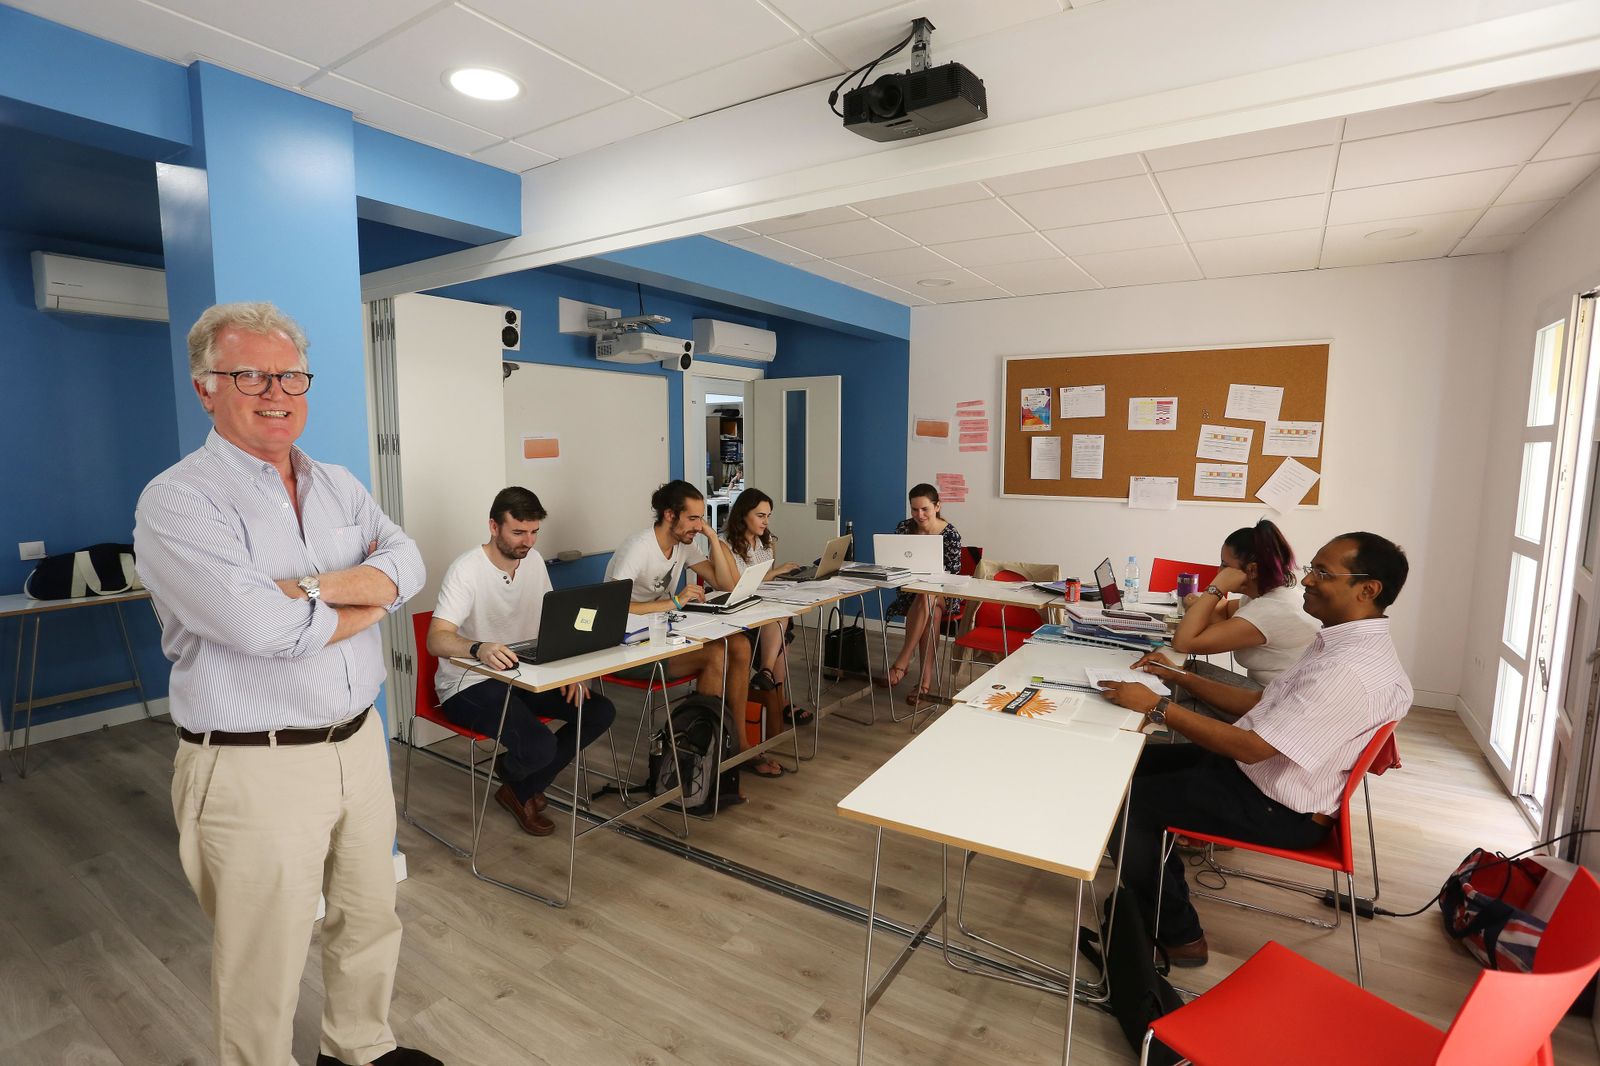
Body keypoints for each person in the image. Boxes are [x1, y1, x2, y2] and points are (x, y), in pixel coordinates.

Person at [133, 302, 438, 1066]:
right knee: (261, 958)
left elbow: (411, 561)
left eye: (291, 374)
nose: (278, 391)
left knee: (370, 917)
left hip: (358, 743)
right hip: (251, 763)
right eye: (251, 374)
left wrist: (309, 587)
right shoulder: (179, 499)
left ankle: (360, 1048)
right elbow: (261, 630)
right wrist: (371, 598)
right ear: (206, 387)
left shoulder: (337, 483)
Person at [1098, 532, 1413, 968]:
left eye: (1323, 573)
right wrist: (1183, 679)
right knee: (1127, 764)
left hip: (1277, 805)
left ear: (1368, 589)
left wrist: (1156, 706)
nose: (1307, 581)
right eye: (1311, 569)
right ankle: (1145, 879)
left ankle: (1178, 934)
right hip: (1263, 778)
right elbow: (1264, 703)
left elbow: (1253, 748)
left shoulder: (1347, 670)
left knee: (1128, 799)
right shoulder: (1340, 642)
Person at [426, 487, 619, 835]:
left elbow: (550, 623)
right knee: (540, 745)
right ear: (493, 526)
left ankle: (519, 784)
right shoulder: (466, 570)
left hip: (523, 673)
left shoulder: (532, 560)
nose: (527, 542)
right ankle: (523, 781)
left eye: (533, 532)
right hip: (467, 683)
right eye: (518, 532)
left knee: (599, 711)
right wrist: (478, 647)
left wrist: (572, 672)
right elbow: (436, 639)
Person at [605, 479, 783, 779]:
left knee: (739, 644)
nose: (698, 526)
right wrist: (673, 602)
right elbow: (612, 608)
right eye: (693, 518)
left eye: (701, 519)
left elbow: (727, 584)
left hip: (660, 636)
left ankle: (738, 744)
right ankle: (697, 758)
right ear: (669, 515)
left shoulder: (683, 546)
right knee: (715, 654)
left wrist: (713, 537)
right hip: (625, 649)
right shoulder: (638, 548)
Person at [1147, 520, 1321, 720]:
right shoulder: (1270, 594)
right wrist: (1203, 600)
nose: (1219, 571)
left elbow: (1183, 643)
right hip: (1271, 694)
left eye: (1225, 565)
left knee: (1175, 679)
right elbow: (1222, 612)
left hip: (1276, 705)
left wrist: (1216, 587)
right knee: (1183, 673)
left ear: (1252, 570)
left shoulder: (1272, 609)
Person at [722, 487, 812, 738]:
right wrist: (775, 572)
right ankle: (776, 697)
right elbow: (738, 584)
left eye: (768, 516)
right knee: (780, 623)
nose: (766, 521)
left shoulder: (766, 542)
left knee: (781, 618)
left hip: (761, 604)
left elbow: (763, 583)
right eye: (760, 515)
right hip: (736, 610)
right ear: (743, 515)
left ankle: (766, 677)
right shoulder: (725, 545)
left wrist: (779, 578)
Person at [883, 482, 963, 705]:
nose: (919, 514)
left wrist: (929, 584)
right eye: (914, 509)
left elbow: (953, 575)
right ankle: (925, 681)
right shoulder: (903, 528)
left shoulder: (951, 534)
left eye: (925, 509)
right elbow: (894, 564)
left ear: (937, 506)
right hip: (911, 592)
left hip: (945, 594)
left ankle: (903, 660)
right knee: (931, 611)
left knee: (928, 595)